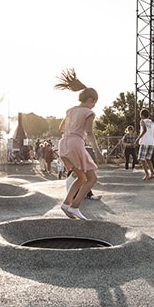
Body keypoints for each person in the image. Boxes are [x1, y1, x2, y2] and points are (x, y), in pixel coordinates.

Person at [54, 69, 105, 220]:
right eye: (94, 102)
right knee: (92, 179)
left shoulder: (70, 111)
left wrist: (73, 126)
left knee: (81, 178)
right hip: (76, 144)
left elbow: (61, 128)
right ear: (90, 100)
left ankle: (67, 204)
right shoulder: (88, 113)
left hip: (64, 144)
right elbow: (89, 133)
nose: (94, 106)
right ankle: (75, 206)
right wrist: (97, 152)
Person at [136, 108, 154, 180]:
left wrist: (138, 138)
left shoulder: (142, 121)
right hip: (151, 142)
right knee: (148, 159)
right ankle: (152, 173)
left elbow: (144, 130)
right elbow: (153, 133)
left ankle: (147, 174)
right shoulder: (152, 123)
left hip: (144, 142)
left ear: (142, 115)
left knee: (142, 159)